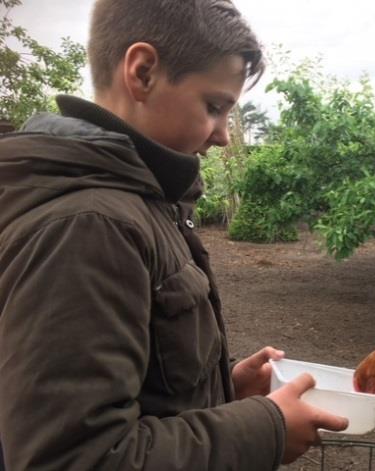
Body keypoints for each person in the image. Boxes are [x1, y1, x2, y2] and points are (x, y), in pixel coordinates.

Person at [0, 0, 348, 469]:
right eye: (214, 106)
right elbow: (75, 457)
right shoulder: (89, 225)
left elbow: (138, 386)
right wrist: (263, 428)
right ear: (142, 72)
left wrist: (226, 388)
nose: (224, 135)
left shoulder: (141, 204)